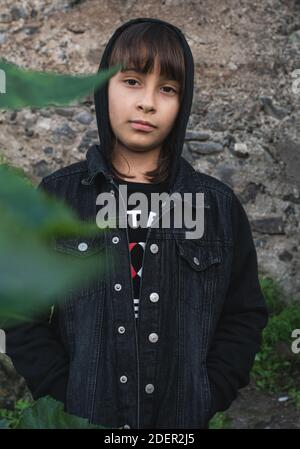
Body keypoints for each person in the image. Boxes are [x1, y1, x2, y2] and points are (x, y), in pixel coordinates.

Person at [5, 17, 269, 429]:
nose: (147, 102)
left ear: (182, 103)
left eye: (167, 89)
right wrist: (64, 393)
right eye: (131, 81)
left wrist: (211, 391)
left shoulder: (216, 207)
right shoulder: (59, 199)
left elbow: (244, 313)